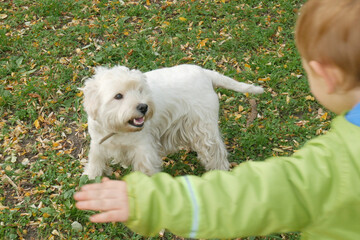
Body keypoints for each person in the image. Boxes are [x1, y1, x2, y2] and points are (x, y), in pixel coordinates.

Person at [74, 0, 360, 239]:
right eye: (120, 97)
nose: (143, 105)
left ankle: (218, 167)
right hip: (187, 79)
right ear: (94, 103)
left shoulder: (334, 166)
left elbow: (252, 196)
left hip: (193, 93)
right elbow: (97, 143)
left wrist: (151, 197)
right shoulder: (342, 155)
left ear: (327, 77)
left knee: (206, 139)